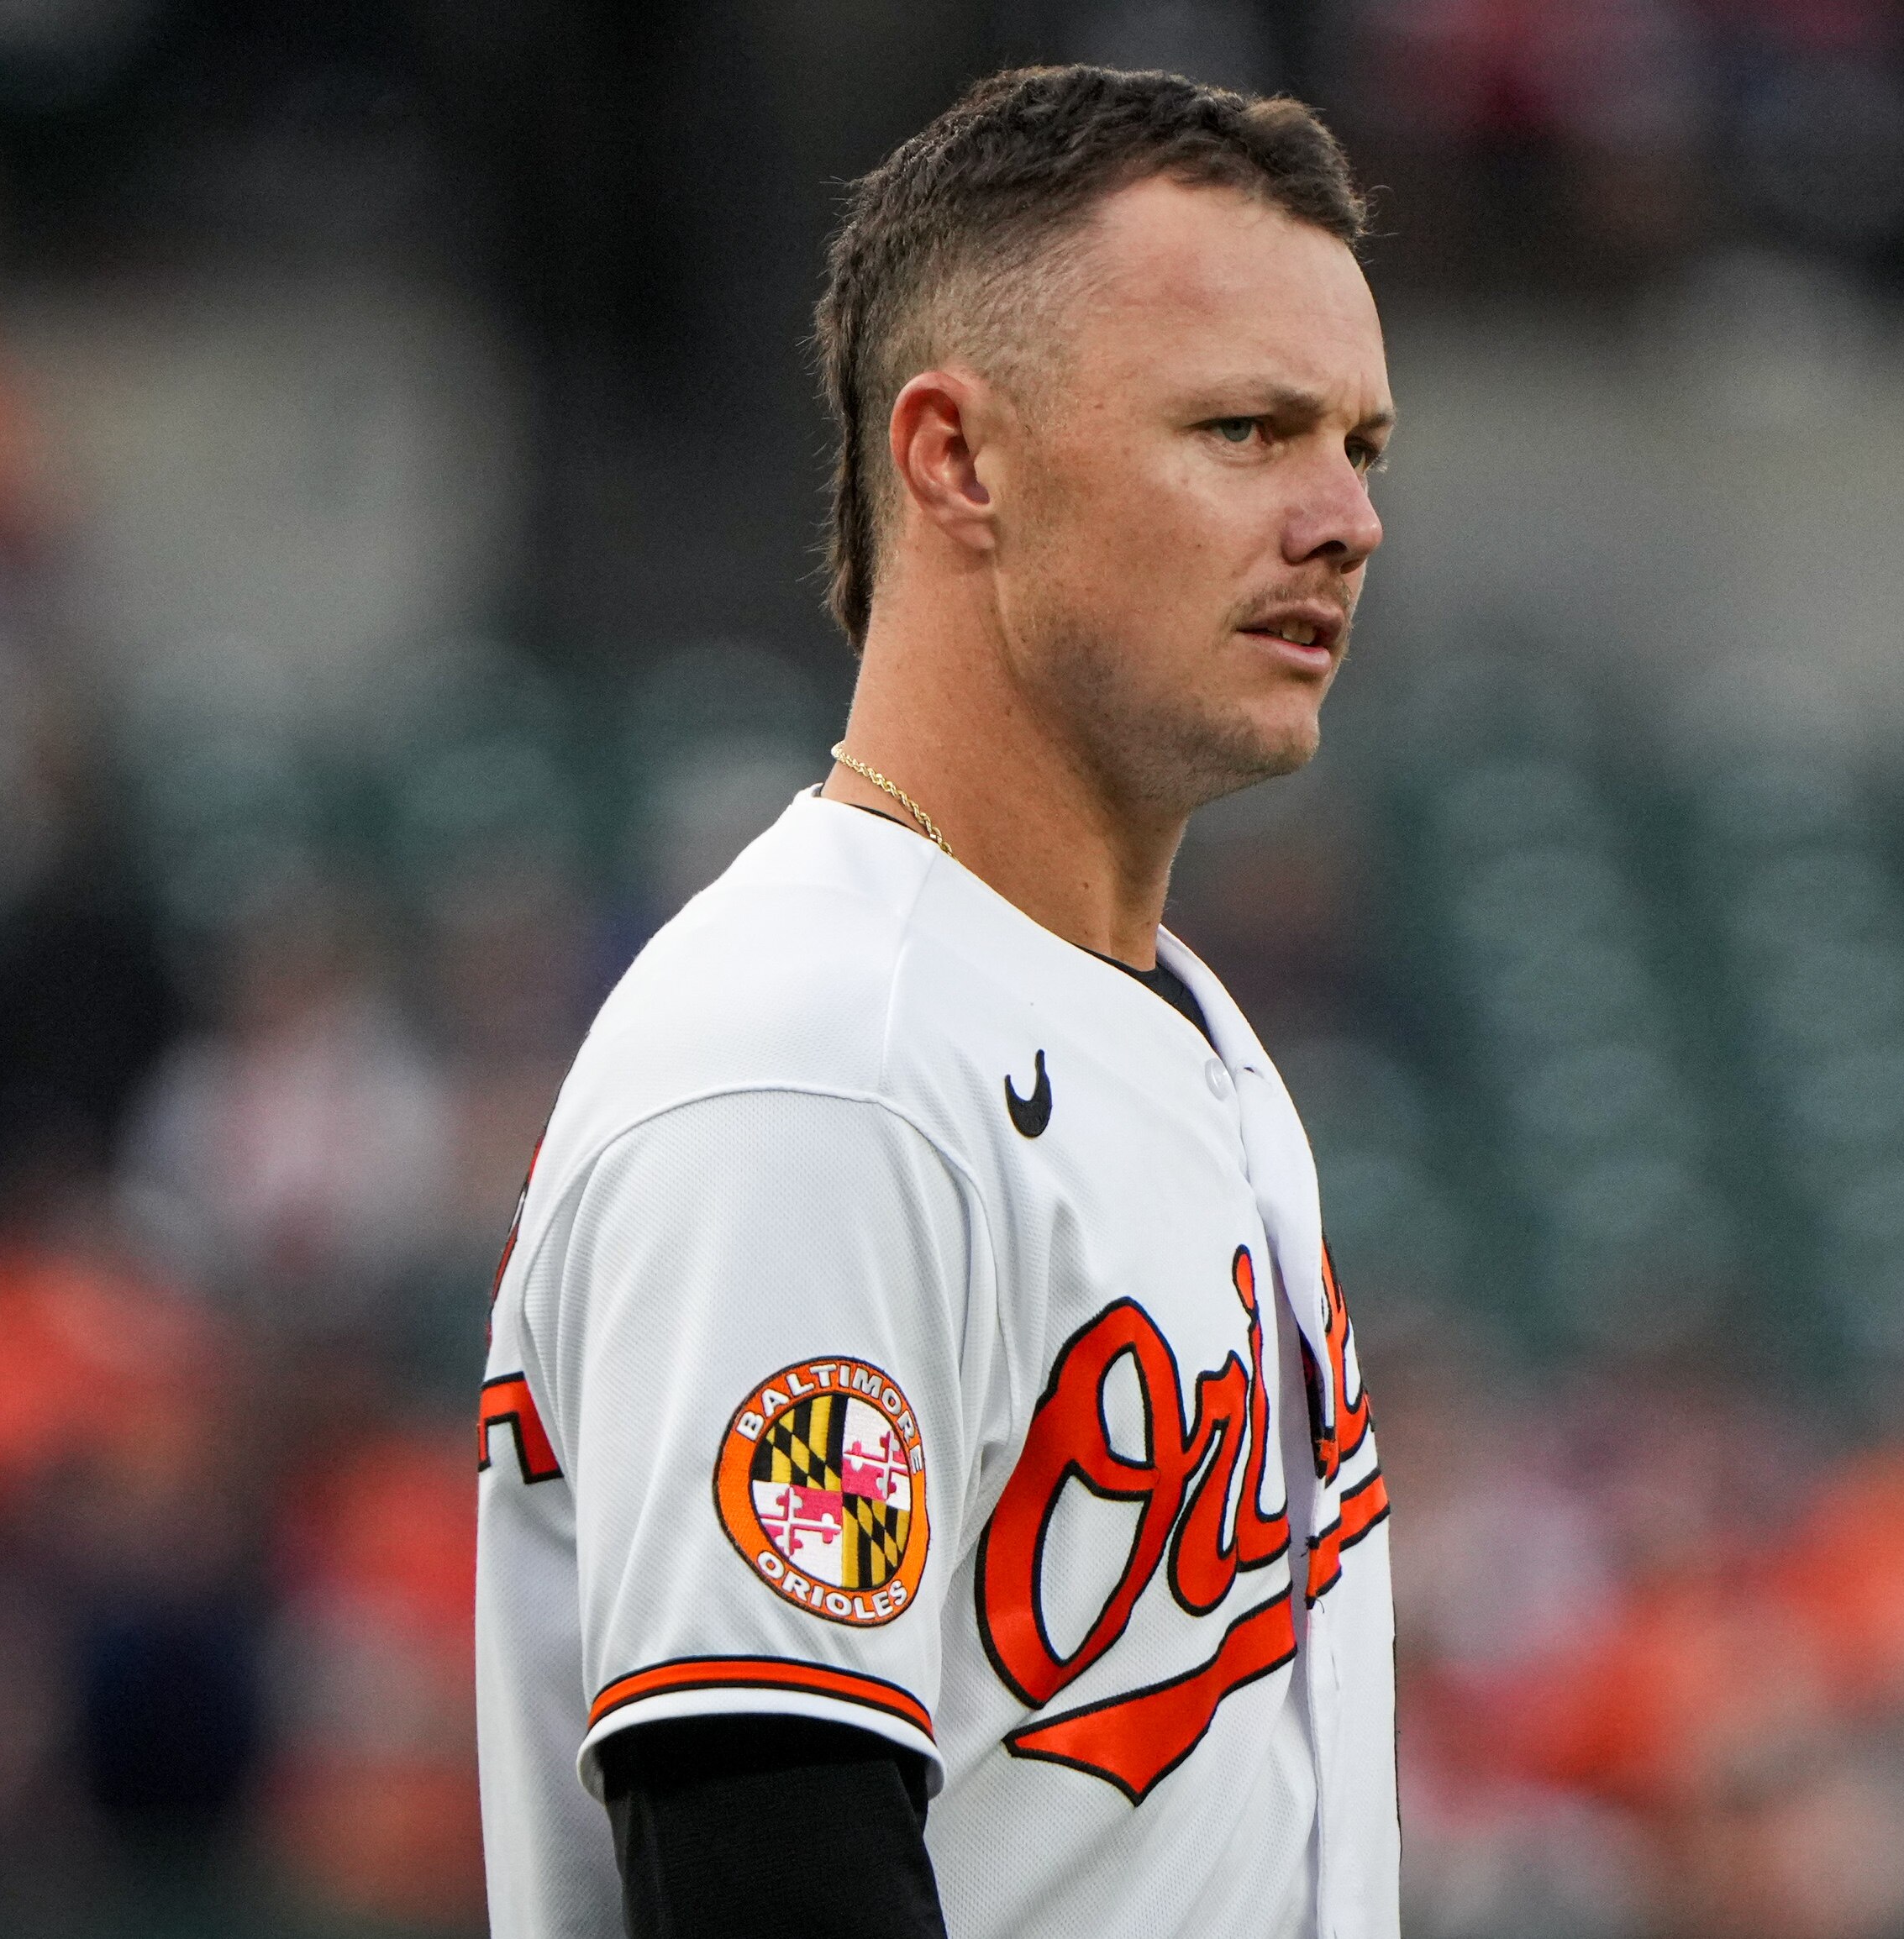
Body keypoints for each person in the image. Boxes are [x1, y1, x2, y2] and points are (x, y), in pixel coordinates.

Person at [474, 66, 1397, 1939]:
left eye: (1362, 445)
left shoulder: (1167, 1022)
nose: (1343, 518)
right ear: (957, 460)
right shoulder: (818, 1060)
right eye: (1245, 428)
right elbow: (760, 1854)